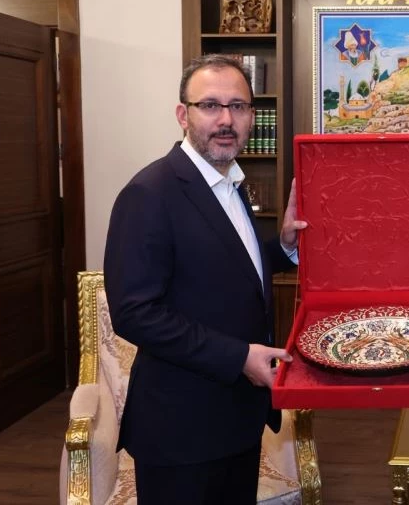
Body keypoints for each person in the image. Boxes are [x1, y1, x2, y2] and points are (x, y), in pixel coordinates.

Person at [103, 54, 307, 504]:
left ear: (252, 116)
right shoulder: (148, 193)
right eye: (210, 105)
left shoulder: (230, 182)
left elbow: (228, 269)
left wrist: (284, 247)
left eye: (238, 106)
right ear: (183, 114)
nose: (226, 120)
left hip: (237, 420)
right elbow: (135, 313)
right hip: (182, 431)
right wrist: (240, 357)